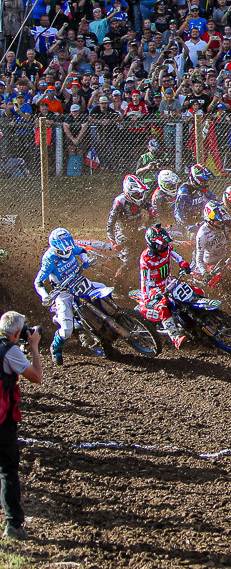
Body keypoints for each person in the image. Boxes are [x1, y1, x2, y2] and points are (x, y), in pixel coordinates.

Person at [0, 311, 43, 541]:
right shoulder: (11, 350)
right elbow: (36, 376)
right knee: (7, 470)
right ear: (18, 333)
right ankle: (13, 525)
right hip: (2, 420)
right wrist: (34, 346)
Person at [33, 228, 102, 365]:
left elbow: (81, 250)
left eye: (68, 245)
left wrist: (86, 260)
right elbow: (38, 282)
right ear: (56, 246)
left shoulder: (70, 247)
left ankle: (117, 316)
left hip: (79, 281)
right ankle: (56, 347)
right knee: (66, 331)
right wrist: (44, 296)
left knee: (102, 288)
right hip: (62, 292)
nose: (67, 250)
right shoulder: (49, 259)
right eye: (64, 247)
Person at [136, 224, 194, 347]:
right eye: (160, 245)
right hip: (154, 288)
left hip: (168, 281)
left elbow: (178, 256)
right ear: (152, 245)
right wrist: (147, 297)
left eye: (165, 244)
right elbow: (144, 280)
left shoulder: (167, 248)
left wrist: (183, 264)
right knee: (162, 305)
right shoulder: (146, 258)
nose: (164, 247)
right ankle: (175, 337)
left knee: (192, 290)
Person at [106, 174, 157, 280]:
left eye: (141, 194)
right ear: (128, 192)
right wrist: (113, 242)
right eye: (136, 194)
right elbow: (110, 224)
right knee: (131, 260)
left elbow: (149, 207)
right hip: (123, 235)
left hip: (138, 231)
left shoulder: (139, 200)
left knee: (154, 248)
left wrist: (151, 217)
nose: (139, 196)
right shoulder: (120, 201)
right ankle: (117, 281)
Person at [191, 201, 231, 277]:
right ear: (210, 221)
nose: (221, 225)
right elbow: (198, 259)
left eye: (222, 222)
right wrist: (204, 273)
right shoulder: (202, 234)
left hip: (227, 256)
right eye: (218, 222)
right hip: (212, 265)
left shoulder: (224, 221)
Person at [174, 164, 217, 233]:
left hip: (200, 220)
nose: (206, 185)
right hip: (186, 226)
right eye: (204, 182)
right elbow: (177, 211)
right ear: (196, 180)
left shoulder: (201, 188)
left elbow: (213, 199)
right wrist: (186, 226)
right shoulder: (184, 191)